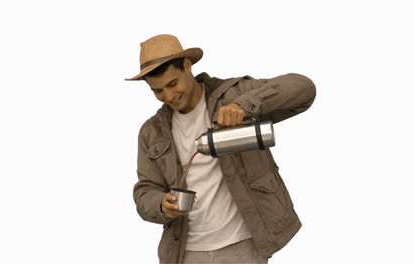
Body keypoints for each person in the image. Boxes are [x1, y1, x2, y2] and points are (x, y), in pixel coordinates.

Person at [125, 34, 316, 264]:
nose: (168, 96)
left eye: (172, 84)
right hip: (185, 252)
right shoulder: (152, 131)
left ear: (187, 66)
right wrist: (160, 204)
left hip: (242, 246)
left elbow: (303, 87)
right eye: (158, 91)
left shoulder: (234, 95)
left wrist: (245, 105)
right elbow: (145, 190)